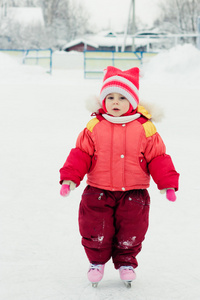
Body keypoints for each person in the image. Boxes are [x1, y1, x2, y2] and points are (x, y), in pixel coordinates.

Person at [59, 66, 179, 286]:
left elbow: (158, 157)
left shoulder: (145, 128)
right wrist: (69, 177)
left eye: (122, 97)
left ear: (133, 101)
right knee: (94, 227)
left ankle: (126, 263)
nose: (115, 102)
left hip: (134, 192)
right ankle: (96, 262)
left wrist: (168, 183)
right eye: (110, 97)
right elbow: (81, 154)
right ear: (103, 100)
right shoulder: (94, 126)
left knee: (132, 229)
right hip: (98, 190)